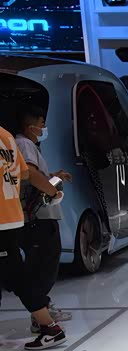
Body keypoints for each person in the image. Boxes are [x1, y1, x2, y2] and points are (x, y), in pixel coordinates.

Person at [0, 125, 67, 351]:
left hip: (1, 219)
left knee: (17, 276)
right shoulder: (6, 136)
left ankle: (50, 327)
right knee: (13, 273)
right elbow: (24, 172)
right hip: (12, 215)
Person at [16, 106, 73, 334]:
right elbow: (29, 173)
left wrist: (53, 177)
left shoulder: (29, 145)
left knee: (46, 263)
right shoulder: (24, 144)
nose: (43, 128)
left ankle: (43, 309)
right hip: (37, 217)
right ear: (30, 126)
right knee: (42, 265)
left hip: (41, 216)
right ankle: (40, 315)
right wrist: (52, 190)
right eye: (41, 124)